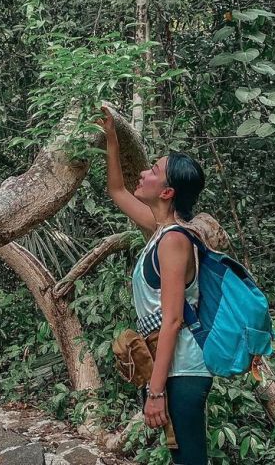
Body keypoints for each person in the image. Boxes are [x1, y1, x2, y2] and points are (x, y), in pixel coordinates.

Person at [97, 106, 213, 465]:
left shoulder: (174, 240)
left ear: (167, 192)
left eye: (154, 170)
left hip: (183, 371)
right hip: (172, 370)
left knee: (190, 459)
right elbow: (116, 189)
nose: (145, 172)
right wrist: (112, 138)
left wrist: (156, 391)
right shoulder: (158, 230)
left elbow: (173, 320)